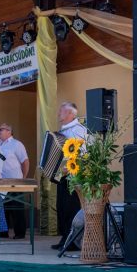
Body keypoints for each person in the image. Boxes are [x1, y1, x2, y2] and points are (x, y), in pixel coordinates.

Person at [53, 101, 88, 250]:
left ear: (70, 114)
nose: (58, 113)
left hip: (73, 175)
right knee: (61, 208)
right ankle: (65, 238)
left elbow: (81, 152)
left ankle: (73, 241)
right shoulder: (64, 130)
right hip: (63, 175)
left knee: (70, 208)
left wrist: (68, 167)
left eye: (61, 111)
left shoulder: (78, 130)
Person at [0, 123, 30, 239]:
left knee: (17, 207)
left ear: (9, 131)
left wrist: (23, 178)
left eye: (1, 129)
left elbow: (25, 162)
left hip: (15, 180)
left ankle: (20, 233)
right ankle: (3, 232)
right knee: (3, 208)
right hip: (1, 181)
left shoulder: (17, 144)